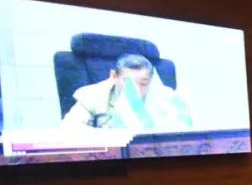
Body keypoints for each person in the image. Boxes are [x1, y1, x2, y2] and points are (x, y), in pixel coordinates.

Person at [61, 54, 192, 129]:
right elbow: (68, 130)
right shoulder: (92, 96)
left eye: (143, 83)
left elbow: (185, 130)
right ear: (113, 76)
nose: (135, 90)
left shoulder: (166, 97)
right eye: (128, 82)